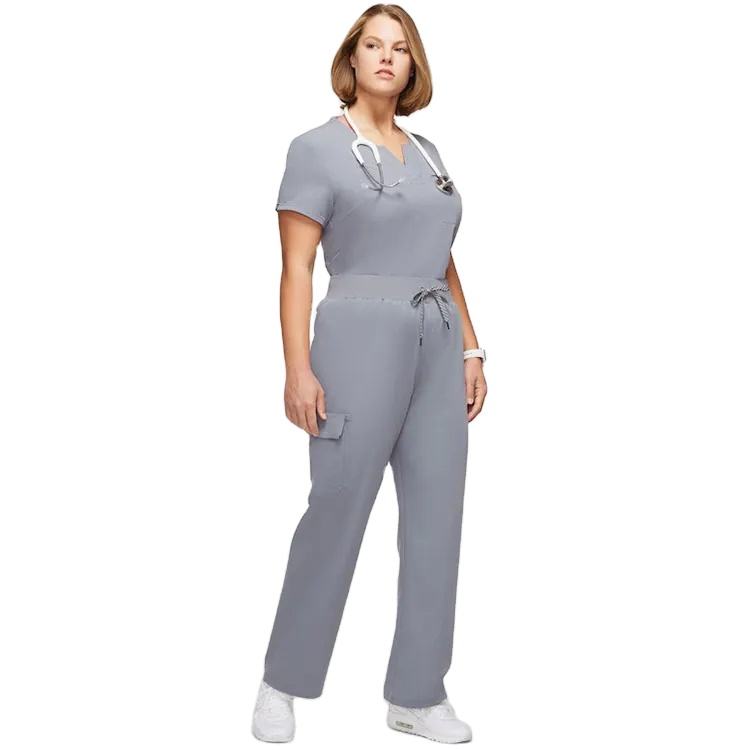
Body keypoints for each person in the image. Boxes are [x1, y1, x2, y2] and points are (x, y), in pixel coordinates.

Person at [253, 5, 487, 744]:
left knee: (437, 519)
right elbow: (296, 267)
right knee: (337, 509)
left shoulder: (429, 154)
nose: (387, 57)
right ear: (351, 58)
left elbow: (442, 259)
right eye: (374, 45)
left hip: (436, 340)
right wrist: (297, 367)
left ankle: (418, 693)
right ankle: (283, 681)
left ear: (414, 66)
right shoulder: (316, 150)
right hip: (358, 335)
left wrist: (472, 350)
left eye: (401, 48)